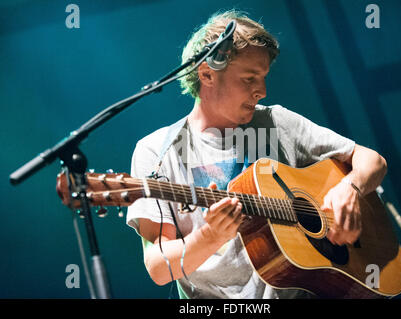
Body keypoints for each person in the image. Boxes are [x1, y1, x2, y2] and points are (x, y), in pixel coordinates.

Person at [126, 10, 387, 299]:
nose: (261, 91)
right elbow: (158, 269)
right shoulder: (156, 151)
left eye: (263, 78)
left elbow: (372, 160)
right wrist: (209, 236)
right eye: (249, 79)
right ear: (207, 74)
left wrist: (350, 189)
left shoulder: (278, 122)